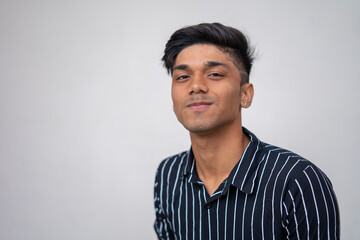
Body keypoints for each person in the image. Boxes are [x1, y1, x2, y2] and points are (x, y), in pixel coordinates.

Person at [153, 22, 340, 240]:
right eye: (183, 77)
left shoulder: (298, 180)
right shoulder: (168, 175)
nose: (196, 86)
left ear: (245, 94)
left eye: (214, 74)